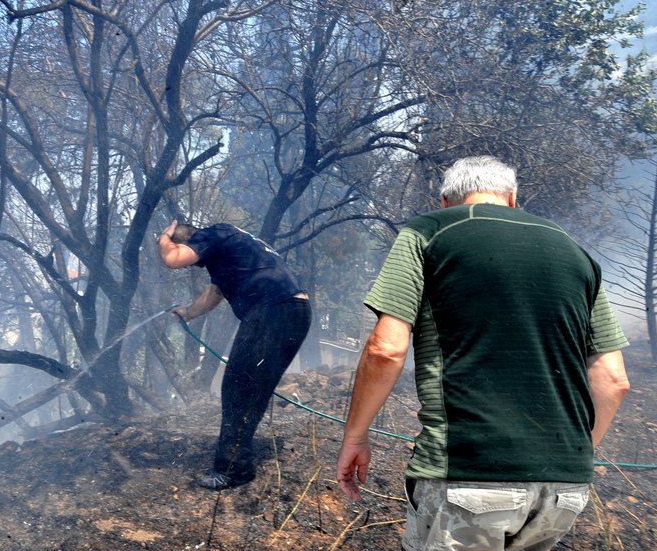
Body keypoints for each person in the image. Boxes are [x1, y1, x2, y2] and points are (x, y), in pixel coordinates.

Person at [336, 156, 630, 551]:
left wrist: (355, 437)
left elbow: (386, 350)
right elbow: (613, 380)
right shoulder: (577, 252)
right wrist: (568, 458)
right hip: (563, 489)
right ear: (512, 199)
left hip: (468, 477)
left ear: (445, 201)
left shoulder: (429, 232)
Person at [158, 219, 312, 490]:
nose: (196, 263)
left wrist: (165, 236)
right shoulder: (231, 246)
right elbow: (216, 291)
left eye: (193, 253)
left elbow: (172, 259)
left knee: (239, 388)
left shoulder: (213, 233)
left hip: (273, 310)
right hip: (294, 311)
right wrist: (189, 312)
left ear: (190, 239)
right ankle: (236, 461)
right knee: (249, 387)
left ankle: (233, 470)